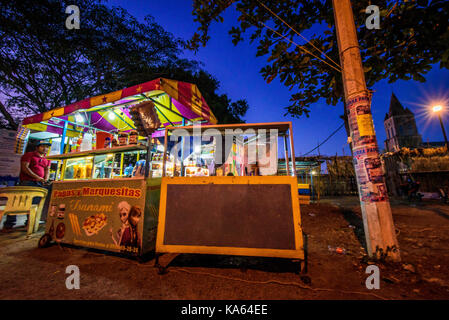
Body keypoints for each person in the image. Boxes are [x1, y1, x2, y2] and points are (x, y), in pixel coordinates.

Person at [2, 140, 52, 232]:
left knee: (34, 204)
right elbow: (25, 168)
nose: (45, 148)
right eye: (43, 146)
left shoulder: (47, 158)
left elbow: (47, 170)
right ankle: (9, 224)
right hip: (27, 182)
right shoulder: (29, 155)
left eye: (47, 147)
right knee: (18, 202)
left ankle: (29, 223)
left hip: (39, 184)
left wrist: (45, 179)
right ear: (37, 147)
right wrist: (37, 177)